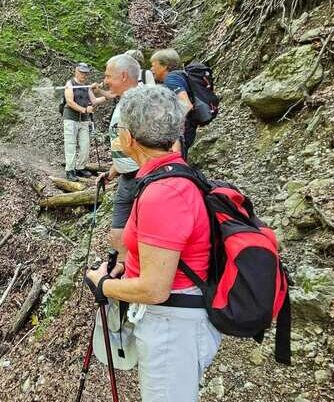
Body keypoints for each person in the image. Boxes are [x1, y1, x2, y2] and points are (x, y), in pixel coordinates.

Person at [86, 86, 220, 402]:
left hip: (173, 327)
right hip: (176, 320)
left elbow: (156, 289)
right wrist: (124, 266)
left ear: (129, 139)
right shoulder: (167, 175)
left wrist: (103, 285)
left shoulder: (163, 194)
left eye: (119, 128)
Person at [97, 54, 142, 266]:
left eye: (108, 76)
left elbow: (160, 143)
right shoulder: (124, 100)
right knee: (118, 233)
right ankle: (122, 271)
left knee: (136, 234)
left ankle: (130, 276)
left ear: (123, 76)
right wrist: (111, 172)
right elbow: (124, 144)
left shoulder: (141, 102)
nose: (105, 81)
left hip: (143, 177)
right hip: (126, 177)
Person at [62, 62, 106, 182]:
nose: (84, 75)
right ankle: (70, 170)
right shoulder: (70, 84)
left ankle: (80, 167)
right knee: (70, 145)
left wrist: (108, 96)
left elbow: (94, 100)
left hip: (83, 120)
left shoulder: (87, 87)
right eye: (81, 72)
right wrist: (84, 109)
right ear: (76, 71)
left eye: (85, 73)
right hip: (70, 118)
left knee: (85, 145)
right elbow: (70, 102)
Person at [150, 48, 196, 159]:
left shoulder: (171, 79)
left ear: (165, 65)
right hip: (188, 129)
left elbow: (187, 105)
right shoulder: (179, 76)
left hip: (181, 132)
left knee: (178, 161)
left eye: (153, 65)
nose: (151, 69)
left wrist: (171, 127)